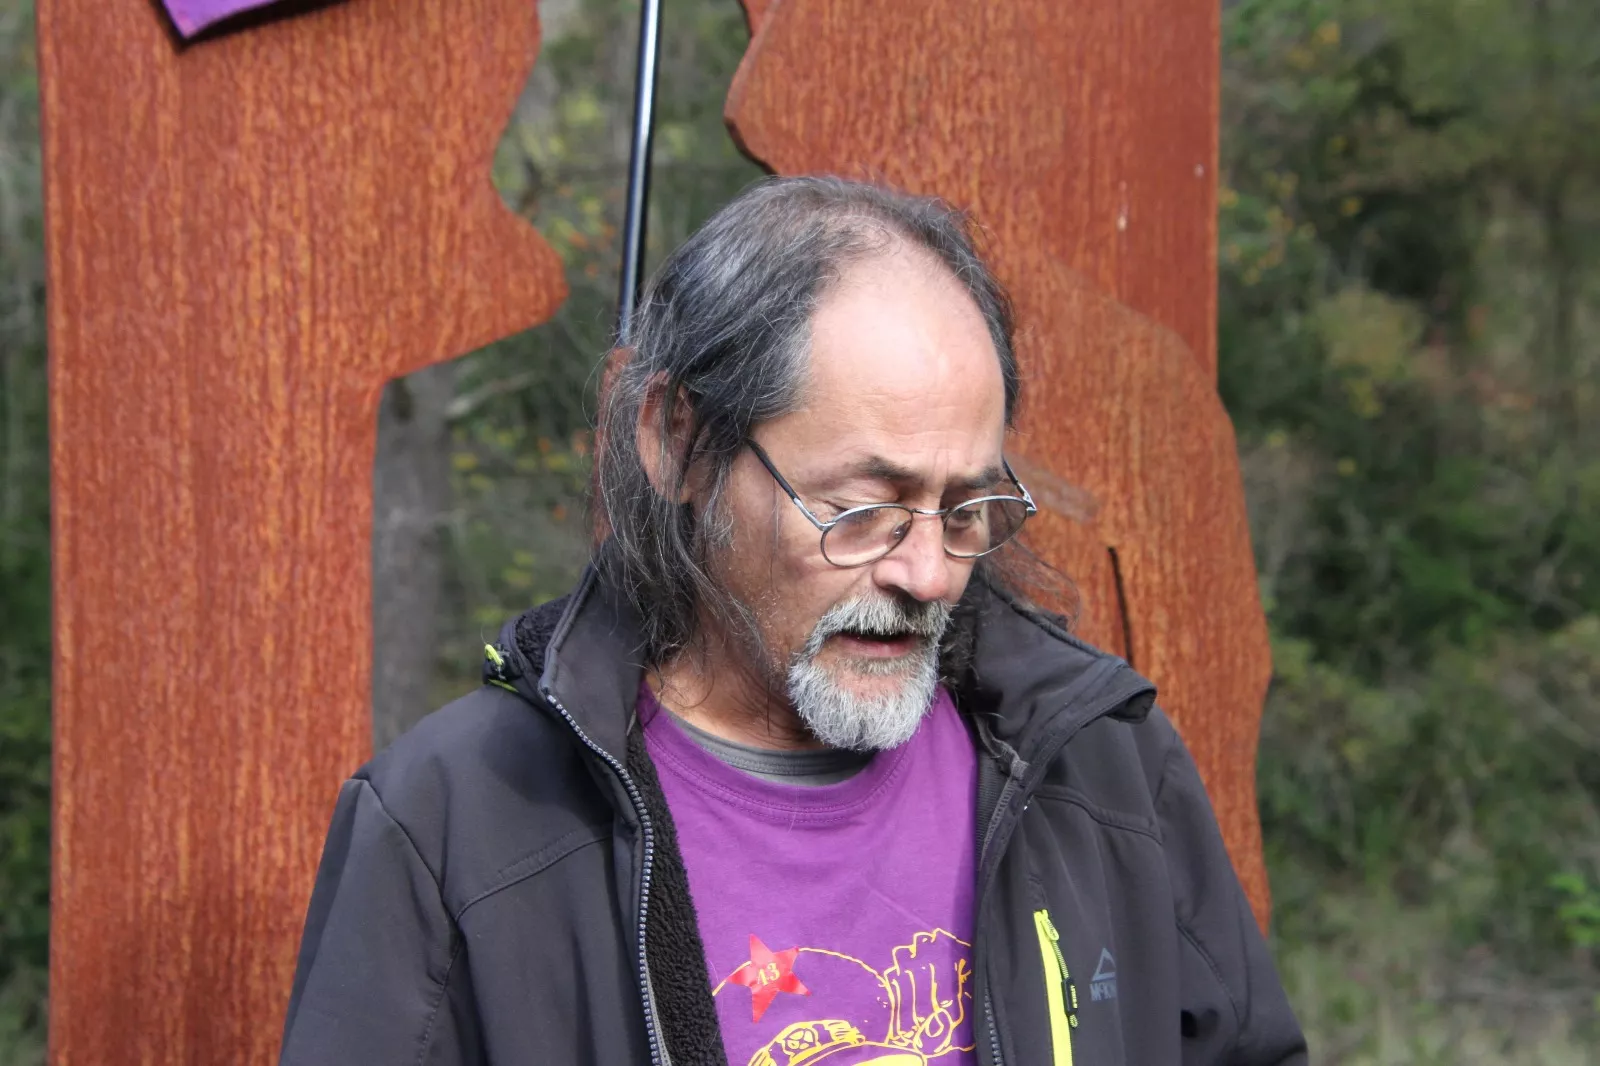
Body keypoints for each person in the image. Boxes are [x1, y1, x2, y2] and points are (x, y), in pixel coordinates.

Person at [278, 176, 1308, 1066]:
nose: (929, 573)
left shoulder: (1103, 770)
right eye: (860, 509)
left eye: (964, 509)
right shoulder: (450, 826)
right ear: (677, 442)